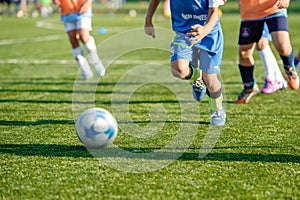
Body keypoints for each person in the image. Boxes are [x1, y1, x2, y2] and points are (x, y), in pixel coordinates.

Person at [145, 0, 226, 126]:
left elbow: (214, 12)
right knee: (179, 70)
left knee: (210, 79)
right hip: (184, 33)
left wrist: (204, 30)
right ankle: (198, 77)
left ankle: (217, 109)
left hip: (210, 34)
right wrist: (148, 20)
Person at [235, 0, 299, 104]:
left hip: (274, 8)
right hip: (250, 12)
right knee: (244, 54)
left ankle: (290, 68)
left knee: (282, 45)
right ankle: (249, 86)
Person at [53, 0, 105, 80]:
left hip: (82, 7)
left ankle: (96, 61)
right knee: (73, 40)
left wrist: (88, 3)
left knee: (83, 36)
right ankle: (85, 71)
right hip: (67, 10)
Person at [257, 24, 287, 94]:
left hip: (266, 14)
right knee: (259, 43)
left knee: (261, 42)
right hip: (254, 14)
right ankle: (279, 80)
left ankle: (271, 79)